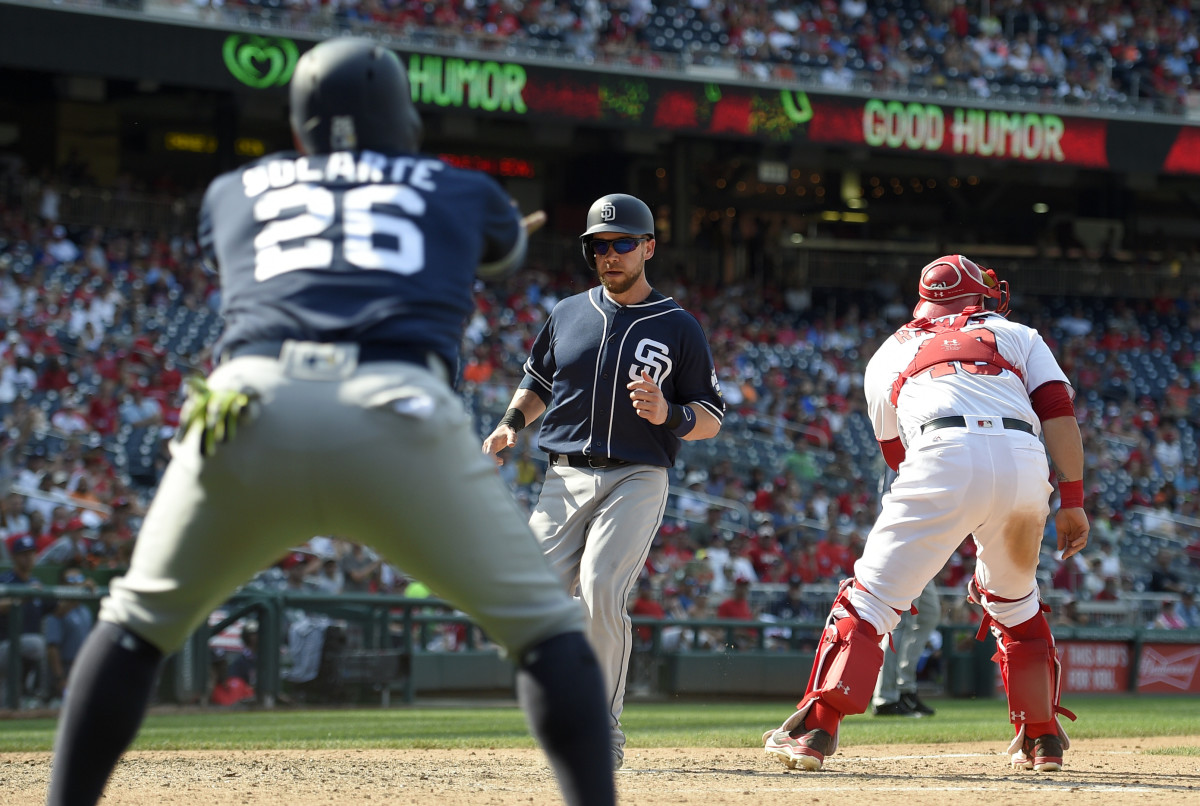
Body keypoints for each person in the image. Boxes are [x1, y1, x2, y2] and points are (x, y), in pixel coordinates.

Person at [47, 38, 614, 806]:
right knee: (549, 636)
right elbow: (498, 251)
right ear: (401, 116)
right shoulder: (460, 187)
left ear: (301, 125)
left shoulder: (235, 187)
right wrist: (479, 226)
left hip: (251, 405)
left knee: (136, 624)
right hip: (397, 407)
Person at [763, 254, 1089, 774]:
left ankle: (817, 730)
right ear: (979, 295)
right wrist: (1071, 499)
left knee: (870, 602)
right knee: (1017, 604)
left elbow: (895, 453)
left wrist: (948, 508)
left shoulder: (890, 350)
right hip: (1026, 462)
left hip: (940, 451)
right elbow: (1058, 414)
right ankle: (1043, 737)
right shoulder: (1019, 335)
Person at [482, 192, 726, 770]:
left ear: (648, 247)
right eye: (598, 246)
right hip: (563, 477)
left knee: (599, 586)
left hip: (637, 476)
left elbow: (712, 418)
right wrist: (509, 424)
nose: (609, 255)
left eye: (621, 244)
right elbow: (538, 381)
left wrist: (669, 414)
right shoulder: (567, 312)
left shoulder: (678, 326)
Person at [871, 468, 940, 718]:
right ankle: (886, 698)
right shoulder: (899, 454)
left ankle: (905, 688)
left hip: (923, 546)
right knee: (899, 622)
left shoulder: (926, 446)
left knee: (929, 614)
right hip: (904, 541)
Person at [0, 534, 55, 707]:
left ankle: (30, 694)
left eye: (31, 553)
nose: (28, 557)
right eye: (23, 553)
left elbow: (57, 610)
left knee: (8, 705)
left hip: (25, 655)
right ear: (15, 556)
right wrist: (22, 597)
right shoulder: (5, 580)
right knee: (36, 643)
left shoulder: (36, 583)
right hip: (4, 647)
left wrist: (79, 592)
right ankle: (36, 692)